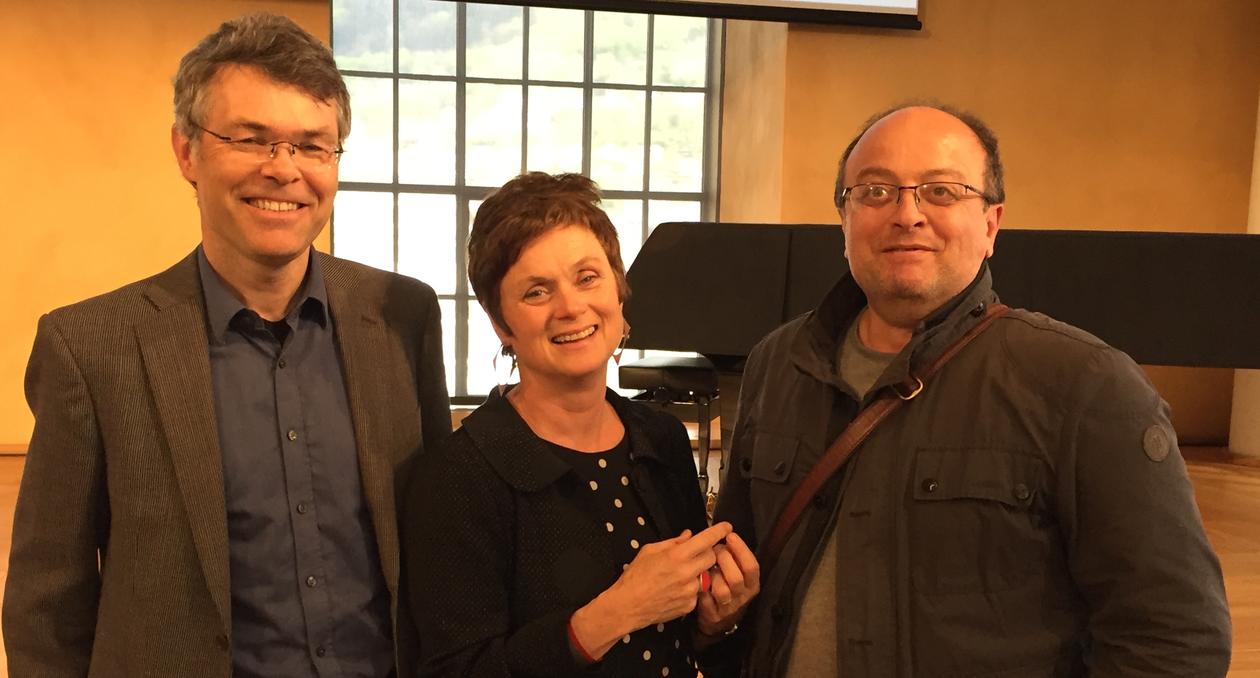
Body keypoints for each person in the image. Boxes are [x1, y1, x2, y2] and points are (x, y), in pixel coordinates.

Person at [710, 103, 1232, 677]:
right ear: (845, 217)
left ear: (991, 223)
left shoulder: (1084, 385)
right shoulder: (778, 363)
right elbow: (739, 578)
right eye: (876, 192)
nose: (906, 214)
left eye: (941, 191)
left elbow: (1174, 637)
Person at [3, 13, 450, 678]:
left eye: (311, 146)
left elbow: (440, 544)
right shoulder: (92, 349)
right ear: (187, 151)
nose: (284, 170)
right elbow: (46, 613)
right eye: (252, 139)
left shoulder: (401, 318)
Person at [401, 172, 760, 677]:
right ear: (500, 322)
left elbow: (680, 645)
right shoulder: (457, 476)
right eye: (536, 292)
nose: (571, 307)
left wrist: (717, 618)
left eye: (587, 277)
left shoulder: (661, 439)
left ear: (618, 290)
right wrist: (612, 615)